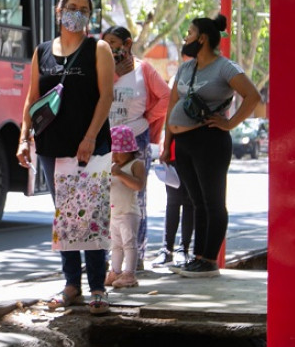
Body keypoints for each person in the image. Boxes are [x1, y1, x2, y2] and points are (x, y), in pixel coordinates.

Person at [16, 0, 114, 314]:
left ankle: (98, 286)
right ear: (60, 12)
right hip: (51, 146)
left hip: (89, 147)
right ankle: (72, 285)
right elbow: (31, 98)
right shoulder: (42, 50)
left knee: (90, 216)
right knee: (65, 217)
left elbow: (105, 98)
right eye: (72, 7)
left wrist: (89, 137)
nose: (77, 13)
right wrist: (23, 137)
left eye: (84, 9)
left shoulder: (97, 49)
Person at [162, 14, 260, 278]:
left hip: (210, 142)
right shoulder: (185, 68)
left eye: (190, 32)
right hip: (182, 143)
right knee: (195, 201)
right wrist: (167, 142)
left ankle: (209, 260)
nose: (186, 37)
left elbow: (253, 96)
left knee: (213, 202)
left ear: (202, 38)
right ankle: (198, 258)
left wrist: (231, 124)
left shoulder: (225, 67)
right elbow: (172, 104)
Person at [101, 25, 170, 267]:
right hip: (104, 142)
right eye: (104, 42)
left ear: (127, 43)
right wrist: (112, 74)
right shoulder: (101, 70)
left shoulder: (144, 69)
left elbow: (167, 97)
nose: (108, 47)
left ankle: (135, 257)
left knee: (135, 199)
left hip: (134, 141)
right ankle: (106, 258)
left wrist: (147, 117)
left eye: (113, 42)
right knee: (105, 198)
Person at [106, 124, 147, 289]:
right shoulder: (113, 167)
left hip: (129, 213)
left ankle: (129, 274)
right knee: (115, 245)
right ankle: (115, 271)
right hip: (114, 213)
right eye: (112, 152)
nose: (115, 157)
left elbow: (138, 185)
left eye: (118, 152)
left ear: (130, 150)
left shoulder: (135, 165)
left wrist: (121, 174)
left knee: (129, 244)